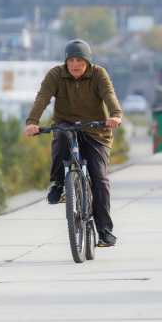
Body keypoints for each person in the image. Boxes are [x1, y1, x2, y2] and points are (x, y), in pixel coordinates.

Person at [24, 39, 123, 247]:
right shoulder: (55, 75)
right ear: (66, 61)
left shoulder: (99, 74)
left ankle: (104, 231)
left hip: (96, 131)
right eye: (71, 60)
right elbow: (42, 98)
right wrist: (32, 122)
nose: (75, 65)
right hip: (66, 126)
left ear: (87, 62)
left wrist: (115, 115)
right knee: (60, 137)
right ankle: (59, 184)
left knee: (100, 179)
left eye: (80, 60)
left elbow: (109, 94)